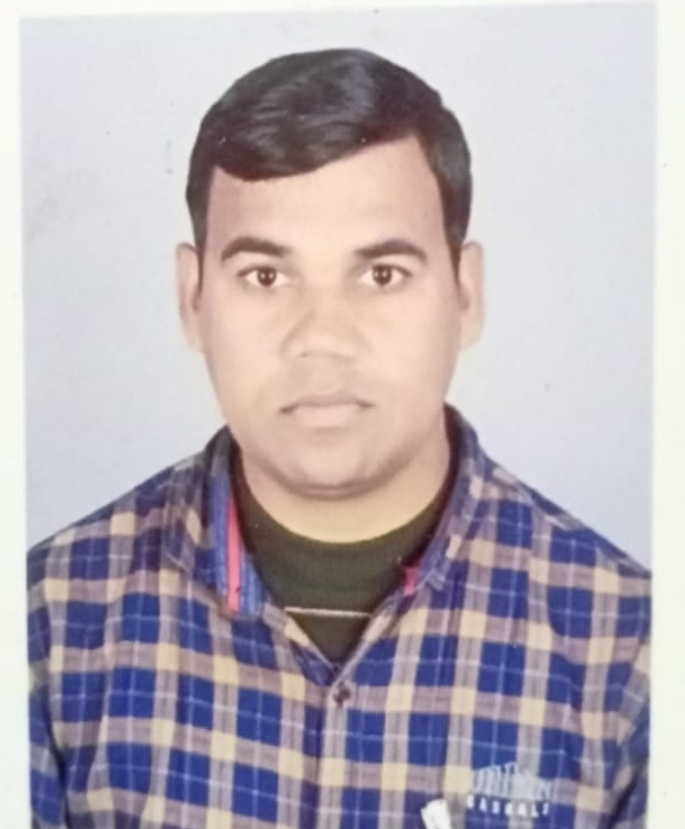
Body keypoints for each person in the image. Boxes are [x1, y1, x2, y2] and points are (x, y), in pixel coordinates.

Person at [28, 48, 650, 829]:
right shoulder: (47, 626)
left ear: (465, 294)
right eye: (266, 276)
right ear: (193, 300)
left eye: (380, 274)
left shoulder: (631, 654)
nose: (321, 338)